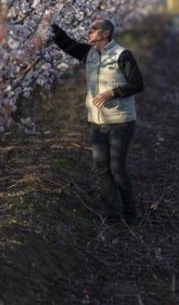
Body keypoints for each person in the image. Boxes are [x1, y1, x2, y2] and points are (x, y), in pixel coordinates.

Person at [49, 19, 145, 224]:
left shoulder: (122, 54)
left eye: (93, 29)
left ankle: (130, 213)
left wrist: (113, 92)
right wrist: (48, 23)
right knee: (101, 168)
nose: (89, 32)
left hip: (121, 120)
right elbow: (66, 43)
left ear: (105, 33)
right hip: (96, 120)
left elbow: (137, 84)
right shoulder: (89, 53)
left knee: (117, 168)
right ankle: (112, 215)